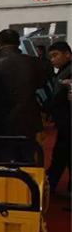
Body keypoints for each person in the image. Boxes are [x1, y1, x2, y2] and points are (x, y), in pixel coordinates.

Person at [0, 29, 47, 160]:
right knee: (28, 158)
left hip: (1, 119)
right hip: (28, 117)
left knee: (4, 159)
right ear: (18, 43)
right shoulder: (34, 62)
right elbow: (41, 83)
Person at [44, 41, 71, 196]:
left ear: (67, 54)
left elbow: (59, 98)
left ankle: (50, 186)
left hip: (67, 120)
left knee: (61, 154)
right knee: (61, 154)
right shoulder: (63, 71)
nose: (53, 60)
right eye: (51, 57)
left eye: (55, 55)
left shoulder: (68, 72)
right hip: (64, 121)